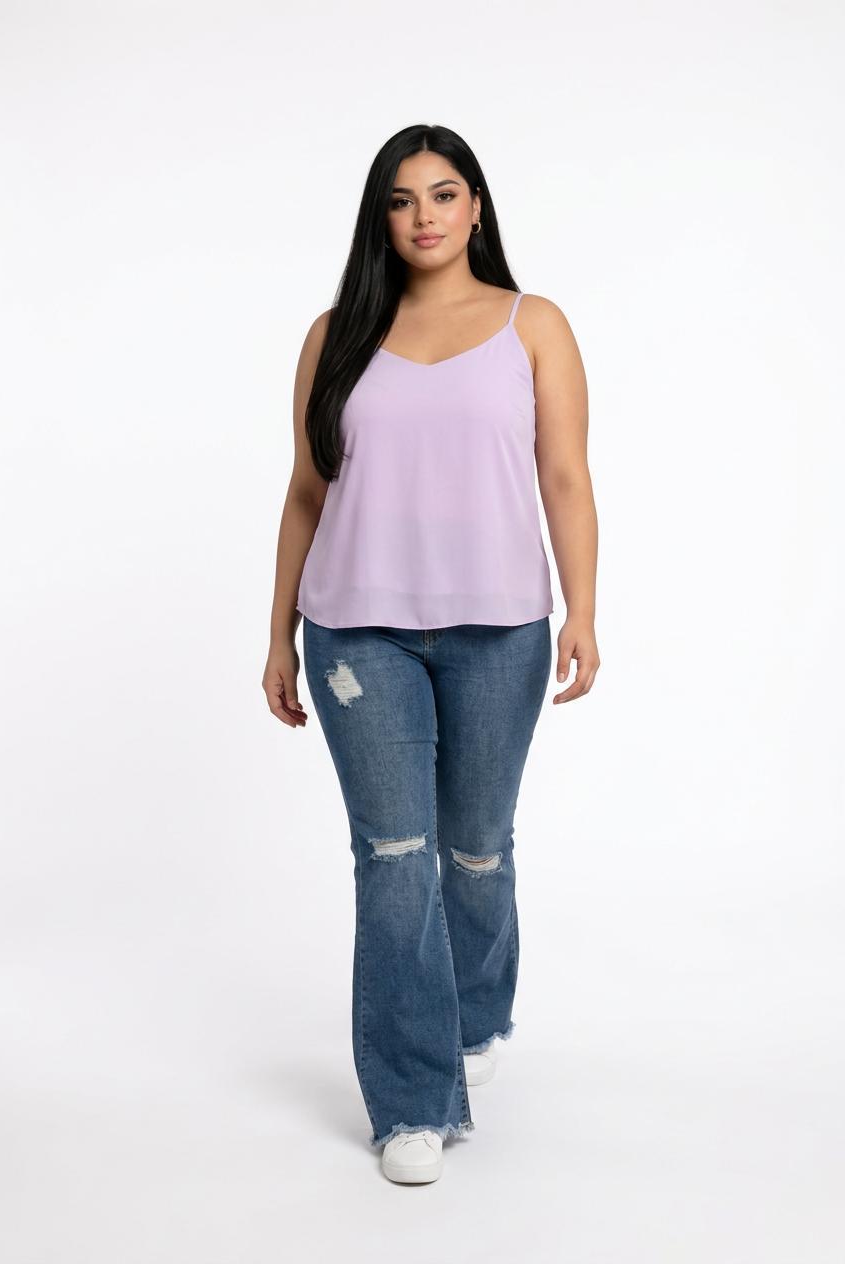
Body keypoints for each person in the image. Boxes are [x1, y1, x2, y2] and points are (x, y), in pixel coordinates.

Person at [262, 123, 600, 1184]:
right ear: (381, 217)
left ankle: (475, 1012)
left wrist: (583, 610)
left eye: (443, 195)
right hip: (355, 631)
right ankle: (410, 1103)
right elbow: (306, 489)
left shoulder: (531, 324)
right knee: (394, 856)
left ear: (475, 208)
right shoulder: (336, 336)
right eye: (402, 200)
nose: (424, 216)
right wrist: (277, 630)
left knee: (476, 847)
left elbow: (564, 477)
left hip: (500, 630)